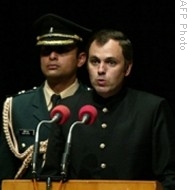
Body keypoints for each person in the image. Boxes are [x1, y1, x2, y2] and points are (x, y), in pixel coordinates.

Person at [41, 29, 175, 190]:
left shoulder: (152, 108)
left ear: (127, 68)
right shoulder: (67, 108)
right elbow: (50, 176)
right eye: (95, 61)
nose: (101, 70)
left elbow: (170, 177)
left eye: (111, 62)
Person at [0, 13, 91, 183]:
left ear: (81, 59)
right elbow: (5, 174)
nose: (52, 56)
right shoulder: (17, 107)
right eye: (46, 50)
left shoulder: (93, 106)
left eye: (62, 50)